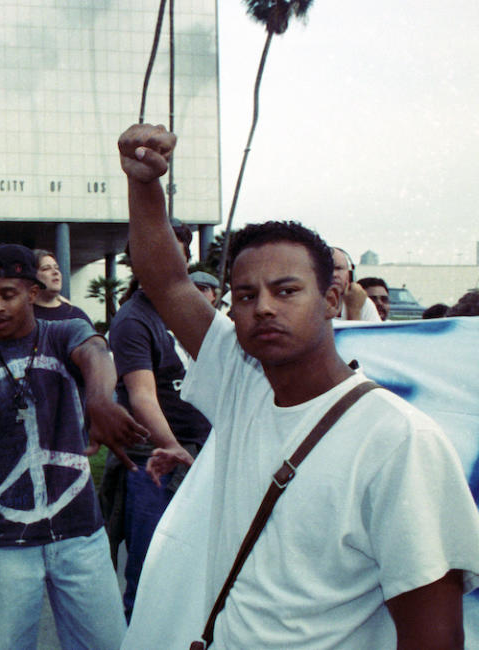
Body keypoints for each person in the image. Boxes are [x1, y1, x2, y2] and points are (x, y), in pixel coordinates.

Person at [119, 123, 479, 647]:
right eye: (245, 295)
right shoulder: (241, 384)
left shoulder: (399, 441)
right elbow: (169, 281)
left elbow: (435, 634)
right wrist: (144, 185)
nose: (263, 306)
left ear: (332, 301)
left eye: (286, 290)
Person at [0, 243, 144, 650]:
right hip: (6, 545)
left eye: (8, 294)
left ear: (31, 292)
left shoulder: (64, 334)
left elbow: (96, 351)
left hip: (80, 535)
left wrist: (100, 397)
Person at [102, 264, 211, 620]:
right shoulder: (135, 318)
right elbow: (142, 397)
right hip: (156, 460)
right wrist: (172, 447)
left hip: (198, 452)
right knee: (150, 571)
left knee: (194, 569)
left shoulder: (185, 312)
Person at [31, 249, 93, 325]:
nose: (55, 272)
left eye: (57, 268)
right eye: (46, 269)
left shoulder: (76, 316)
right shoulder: (23, 316)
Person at [331, 247, 380, 322]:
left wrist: (354, 310)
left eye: (338, 268)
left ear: (350, 274)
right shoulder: (310, 302)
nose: (334, 274)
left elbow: (375, 334)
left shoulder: (363, 302)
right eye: (328, 269)